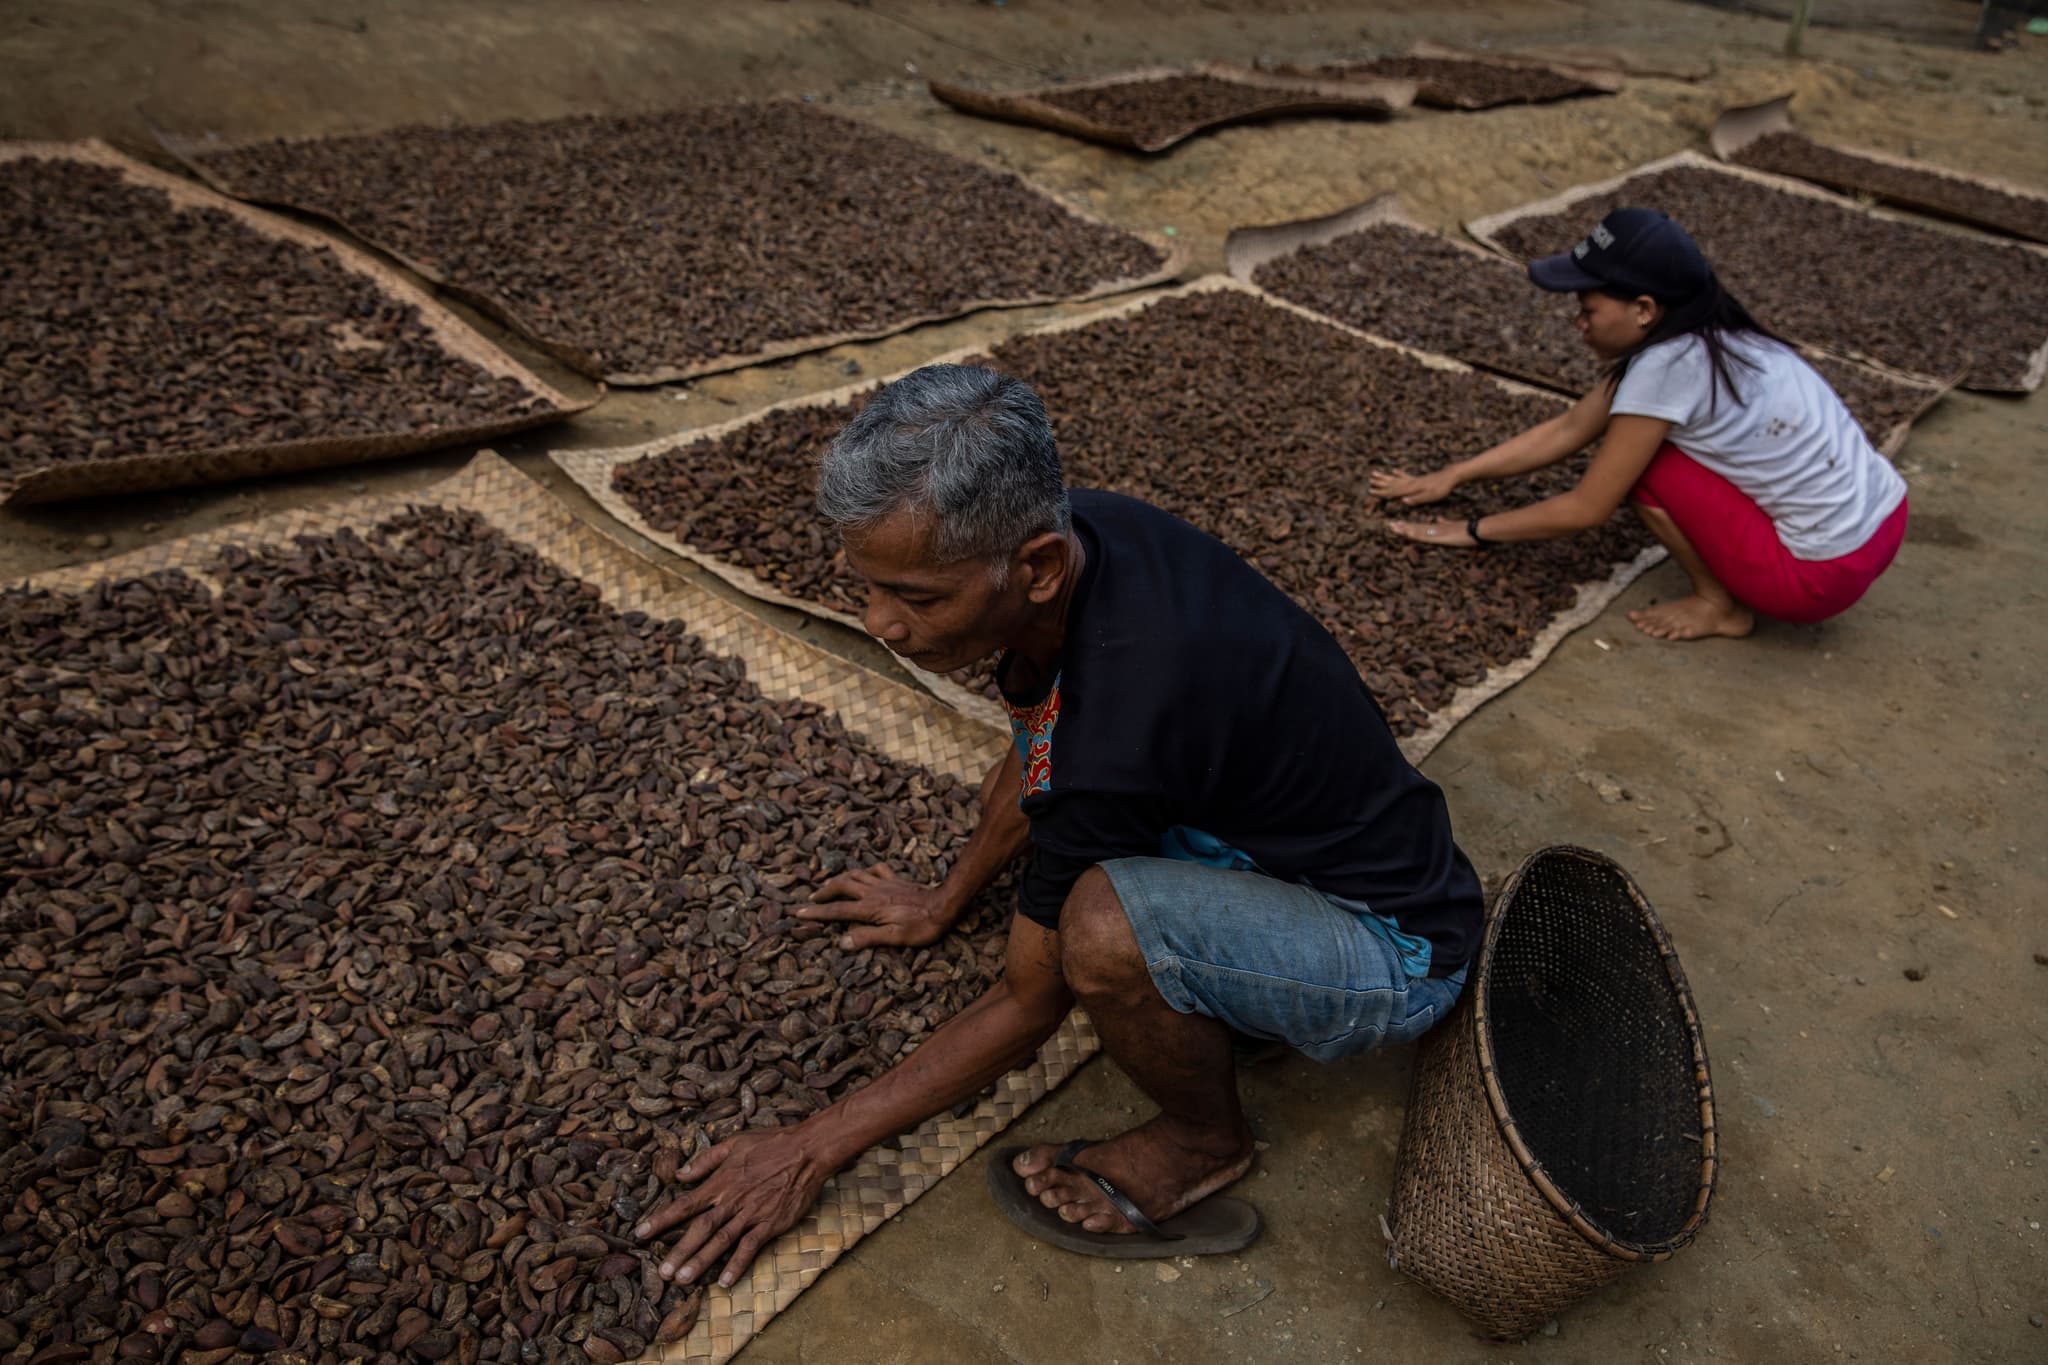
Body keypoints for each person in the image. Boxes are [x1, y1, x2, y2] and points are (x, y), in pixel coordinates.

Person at [632, 363, 1484, 1285]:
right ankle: (1233, 984)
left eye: (917, 597)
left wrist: (811, 1144)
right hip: (1286, 840)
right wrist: (942, 899)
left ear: (1034, 566)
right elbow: (1041, 744)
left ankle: (1205, 1140)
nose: (882, 623)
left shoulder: (1118, 726)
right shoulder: (1088, 533)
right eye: (868, 586)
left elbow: (1029, 999)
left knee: (1101, 928)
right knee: (1088, 849)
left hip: (1395, 951)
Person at [1372, 206, 1909, 642]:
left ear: (1645, 309)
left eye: (1588, 309)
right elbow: (1569, 428)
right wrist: (1456, 475)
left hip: (1820, 579)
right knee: (1643, 444)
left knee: (1645, 466)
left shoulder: (1667, 366)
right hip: (1886, 518)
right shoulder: (1713, 326)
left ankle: (1718, 607)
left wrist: (1471, 531)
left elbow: (1587, 508)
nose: (1577, 323)